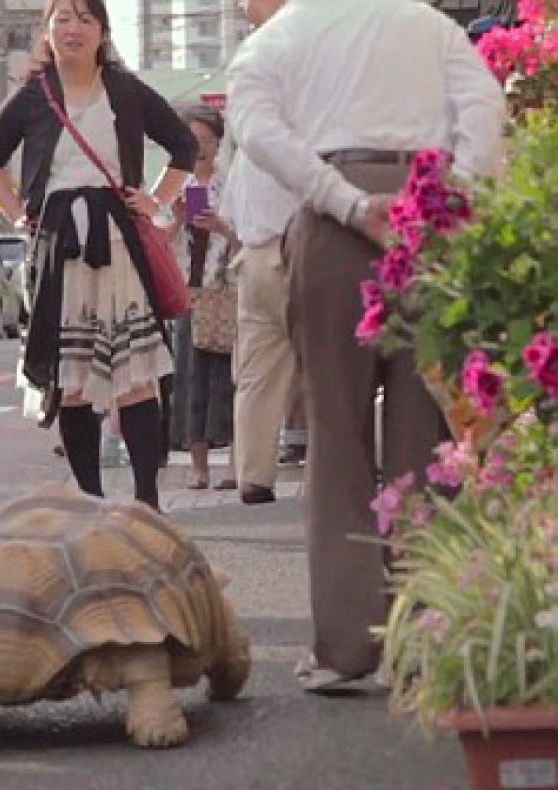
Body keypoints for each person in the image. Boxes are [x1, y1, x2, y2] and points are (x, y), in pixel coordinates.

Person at [227, 0, 506, 687]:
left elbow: (254, 127)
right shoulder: (434, 27)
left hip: (331, 223)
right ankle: (424, 644)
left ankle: (344, 649)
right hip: (427, 213)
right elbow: (487, 111)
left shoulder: (284, 32)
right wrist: (454, 199)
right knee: (426, 427)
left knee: (336, 433)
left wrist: (341, 198)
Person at [0, 0, 196, 511]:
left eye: (84, 19)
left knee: (136, 377)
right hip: (58, 247)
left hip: (119, 241)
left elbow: (183, 145)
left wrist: (156, 199)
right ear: (48, 31)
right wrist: (15, 212)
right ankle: (90, 502)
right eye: (62, 20)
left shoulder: (124, 89)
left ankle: (147, 502)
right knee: (72, 379)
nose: (72, 29)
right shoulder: (34, 95)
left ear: (102, 31)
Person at [218, 0, 299, 506]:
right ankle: (346, 471)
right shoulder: (296, 55)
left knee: (256, 373)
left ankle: (254, 475)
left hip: (259, 246)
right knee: (331, 362)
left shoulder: (262, 59)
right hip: (292, 241)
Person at [170, 105, 237, 491]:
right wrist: (179, 218)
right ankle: (199, 467)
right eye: (192, 140)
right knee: (189, 379)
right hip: (185, 293)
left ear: (217, 143)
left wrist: (219, 226)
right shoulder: (171, 186)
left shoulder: (229, 185)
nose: (200, 148)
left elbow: (246, 236)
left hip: (223, 290)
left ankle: (232, 463)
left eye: (206, 140)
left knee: (226, 379)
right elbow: (156, 241)